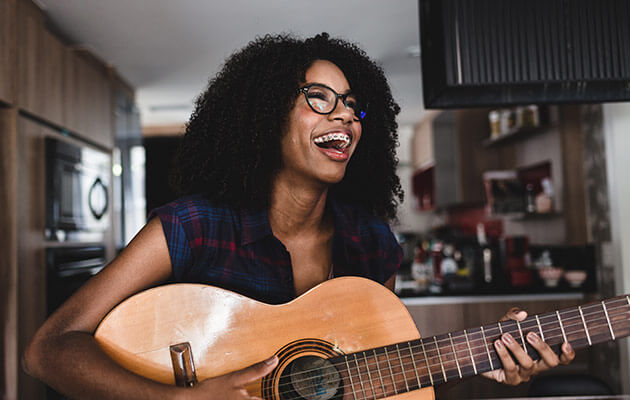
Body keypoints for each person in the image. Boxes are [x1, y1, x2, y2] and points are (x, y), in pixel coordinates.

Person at [23, 33, 574, 399]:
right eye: (319, 97)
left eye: (354, 106)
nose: (345, 117)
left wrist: (488, 360)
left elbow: (370, 377)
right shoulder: (193, 226)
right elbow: (48, 349)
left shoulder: (372, 244)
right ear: (264, 116)